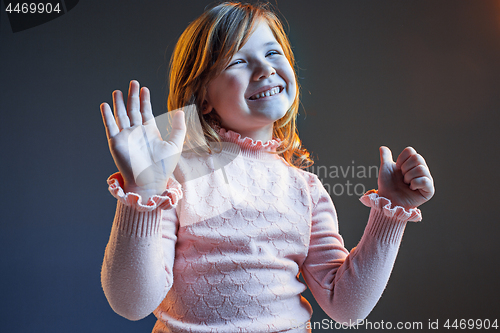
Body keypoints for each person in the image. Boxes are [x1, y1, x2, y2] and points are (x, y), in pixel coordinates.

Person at [100, 2, 434, 332]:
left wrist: (391, 213)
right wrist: (143, 191)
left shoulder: (306, 190)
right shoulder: (176, 176)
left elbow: (346, 305)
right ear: (203, 97)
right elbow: (131, 304)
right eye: (239, 61)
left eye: (273, 54)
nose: (264, 69)